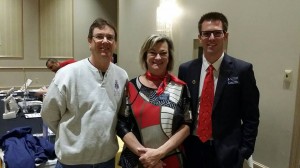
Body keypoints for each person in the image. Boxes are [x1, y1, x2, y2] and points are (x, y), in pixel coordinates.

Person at [41, 18, 128, 168]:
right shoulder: (67, 74)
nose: (105, 41)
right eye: (99, 36)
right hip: (72, 162)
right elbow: (49, 114)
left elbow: (120, 115)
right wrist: (72, 138)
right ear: (89, 41)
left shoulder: (122, 76)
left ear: (115, 43)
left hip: (106, 159)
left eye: (110, 37)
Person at [178, 12, 260, 168]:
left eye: (217, 33)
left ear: (225, 35)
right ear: (200, 37)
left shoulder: (242, 70)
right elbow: (182, 108)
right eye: (206, 33)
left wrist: (244, 151)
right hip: (192, 147)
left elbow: (251, 117)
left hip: (227, 152)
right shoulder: (186, 70)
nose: (211, 38)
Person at [117, 34, 192, 168]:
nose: (158, 57)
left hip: (172, 159)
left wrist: (159, 153)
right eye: (153, 52)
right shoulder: (130, 87)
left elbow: (187, 125)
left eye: (163, 53)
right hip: (137, 160)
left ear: (169, 57)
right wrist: (147, 156)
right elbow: (121, 124)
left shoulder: (181, 87)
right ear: (145, 56)